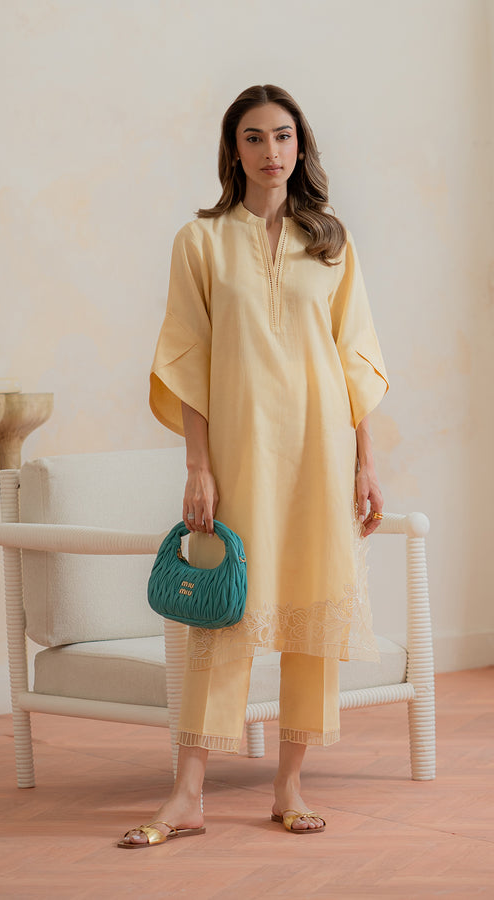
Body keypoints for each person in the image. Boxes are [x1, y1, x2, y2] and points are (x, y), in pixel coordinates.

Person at [118, 84, 389, 848]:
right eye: (254, 137)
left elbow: (354, 361)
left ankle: (290, 785)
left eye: (283, 136)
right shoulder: (200, 242)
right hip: (239, 452)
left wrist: (366, 465)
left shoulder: (331, 241)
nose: (271, 151)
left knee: (314, 610)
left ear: (301, 146)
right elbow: (187, 360)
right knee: (223, 614)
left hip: (320, 452)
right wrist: (197, 467)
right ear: (233, 151)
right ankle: (188, 794)